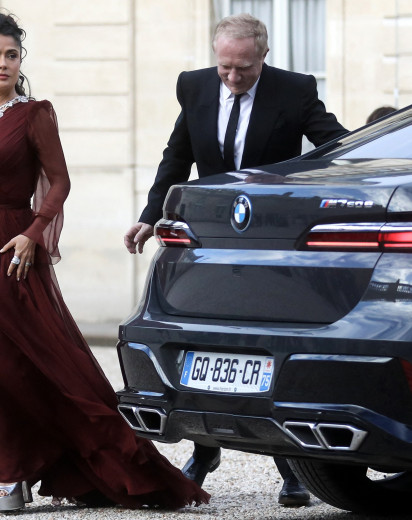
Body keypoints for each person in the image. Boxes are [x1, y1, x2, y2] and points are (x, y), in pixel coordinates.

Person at [0, 8, 210, 515]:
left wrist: (33, 233)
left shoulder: (34, 115)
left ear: (20, 60)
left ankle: (12, 473)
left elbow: (60, 182)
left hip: (14, 251)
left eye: (11, 54)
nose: (3, 63)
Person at [122, 13, 348, 507]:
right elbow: (175, 156)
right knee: (208, 346)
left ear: (262, 57)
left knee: (266, 348)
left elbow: (333, 144)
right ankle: (205, 450)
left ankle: (290, 466)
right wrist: (148, 215)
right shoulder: (195, 88)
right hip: (208, 239)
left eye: (243, 69)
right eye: (224, 67)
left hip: (271, 243)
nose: (232, 77)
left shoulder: (294, 91)